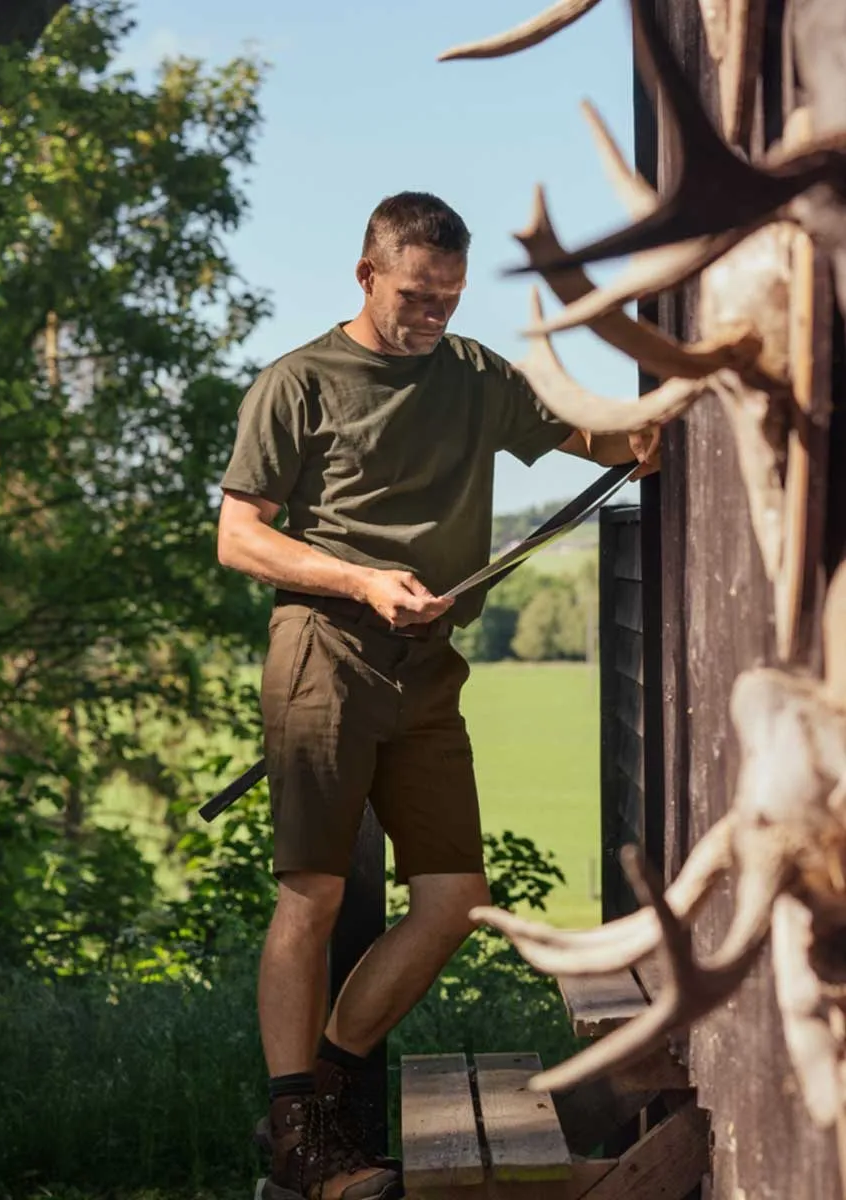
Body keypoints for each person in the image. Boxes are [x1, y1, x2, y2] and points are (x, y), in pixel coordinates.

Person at [217, 192, 657, 1200]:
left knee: (457, 901)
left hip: (429, 670)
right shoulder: (297, 384)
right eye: (416, 296)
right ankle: (305, 1139)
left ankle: (310, 1099)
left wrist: (645, 435)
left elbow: (582, 435)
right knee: (314, 894)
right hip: (323, 653)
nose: (433, 317)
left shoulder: (472, 378)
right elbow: (239, 536)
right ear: (366, 274)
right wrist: (362, 578)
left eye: (450, 299)